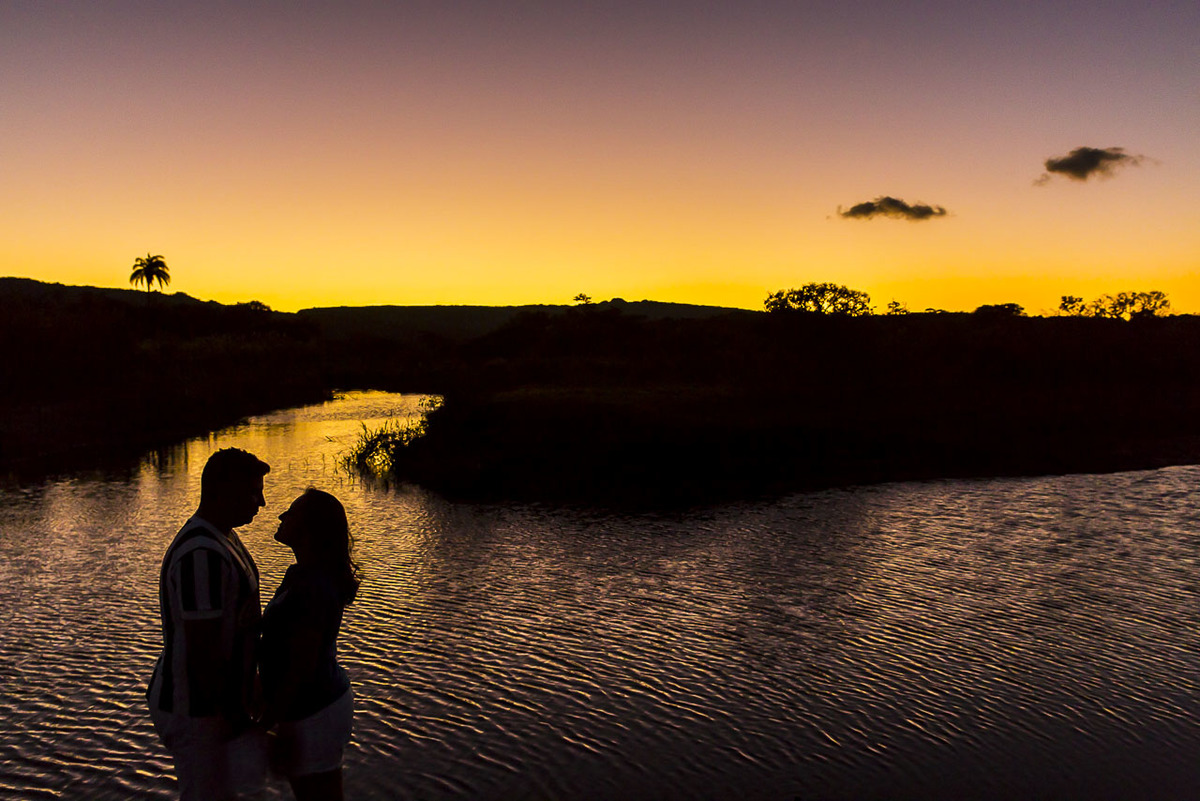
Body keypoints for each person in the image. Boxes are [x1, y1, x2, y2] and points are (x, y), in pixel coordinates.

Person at [147, 447, 271, 800]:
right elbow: (202, 651)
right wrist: (233, 718)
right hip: (198, 710)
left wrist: (252, 684)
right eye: (253, 491)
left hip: (215, 706)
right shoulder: (200, 553)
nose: (261, 502)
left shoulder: (222, 535)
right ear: (225, 490)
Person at [260, 488, 360, 801]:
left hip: (314, 711)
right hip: (311, 708)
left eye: (291, 512)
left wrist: (272, 720)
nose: (281, 516)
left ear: (310, 528)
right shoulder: (301, 574)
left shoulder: (316, 585)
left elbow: (302, 663)